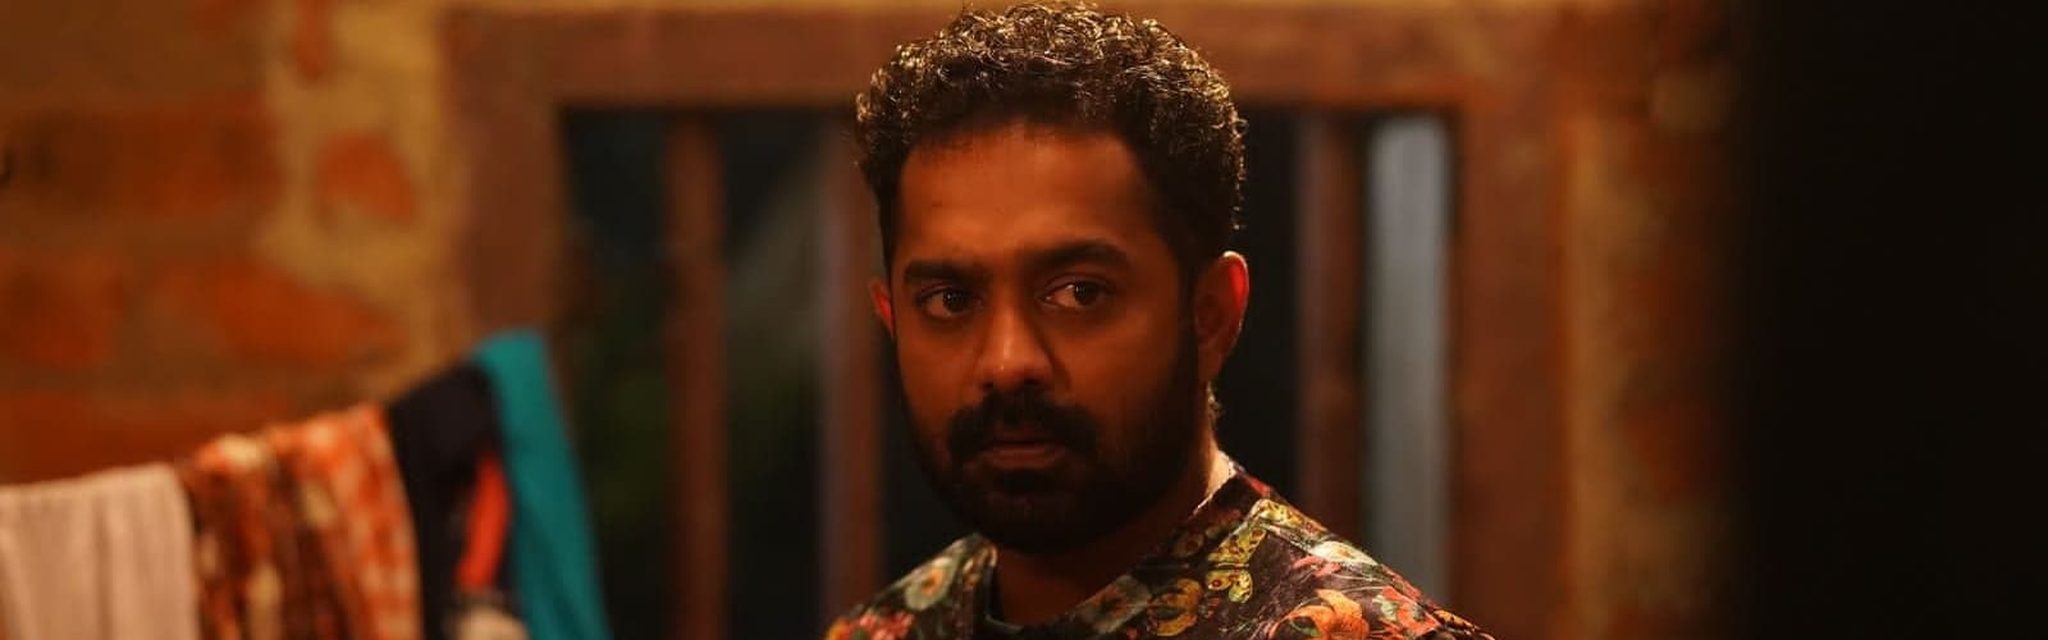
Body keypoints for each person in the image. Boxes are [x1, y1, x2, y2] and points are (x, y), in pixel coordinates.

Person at [827, 3, 1492, 638]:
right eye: (950, 301)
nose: (1006, 361)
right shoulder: (889, 629)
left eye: (1080, 293)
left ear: (1212, 315)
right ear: (892, 320)